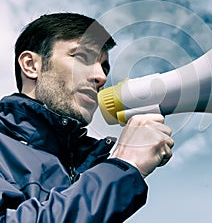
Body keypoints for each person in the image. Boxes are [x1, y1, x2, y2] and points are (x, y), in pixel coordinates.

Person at [0, 13, 174, 222]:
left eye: (104, 67)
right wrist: (123, 166)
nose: (101, 77)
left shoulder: (90, 166)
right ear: (31, 65)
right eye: (82, 57)